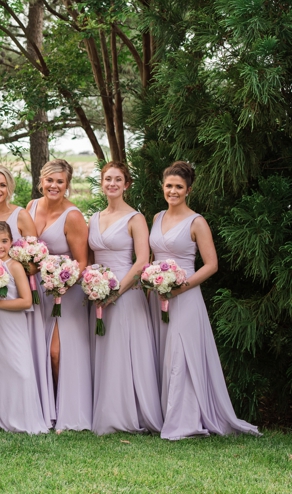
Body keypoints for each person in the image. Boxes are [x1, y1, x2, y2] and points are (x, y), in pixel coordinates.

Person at [149, 161, 258, 440]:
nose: (173, 191)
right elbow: (153, 257)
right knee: (163, 354)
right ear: (162, 187)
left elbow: (211, 265)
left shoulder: (197, 222)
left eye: (179, 187)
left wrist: (179, 287)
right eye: (169, 186)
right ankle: (163, 415)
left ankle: (184, 421)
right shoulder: (157, 217)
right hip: (157, 297)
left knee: (180, 356)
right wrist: (152, 281)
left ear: (189, 190)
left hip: (184, 298)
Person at [89, 162, 162, 435]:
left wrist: (114, 292)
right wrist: (94, 288)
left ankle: (131, 414)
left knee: (125, 352)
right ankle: (108, 410)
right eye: (108, 179)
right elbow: (93, 258)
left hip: (125, 293)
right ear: (102, 182)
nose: (112, 184)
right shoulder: (94, 218)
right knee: (106, 352)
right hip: (98, 294)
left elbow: (142, 261)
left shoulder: (135, 219)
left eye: (118, 179)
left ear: (126, 184)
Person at [0, 164, 53, 424]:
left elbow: (36, 258)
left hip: (19, 294)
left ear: (10, 187)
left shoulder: (21, 215)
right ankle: (2, 411)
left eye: (2, 185)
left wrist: (12, 275)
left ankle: (30, 411)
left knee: (22, 357)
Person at [27, 159, 91, 432]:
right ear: (41, 181)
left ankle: (68, 409)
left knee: (58, 352)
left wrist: (61, 283)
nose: (54, 186)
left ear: (67, 185)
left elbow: (82, 262)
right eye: (49, 180)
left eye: (60, 181)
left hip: (66, 290)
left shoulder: (73, 216)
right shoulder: (30, 207)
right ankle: (46, 409)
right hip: (37, 288)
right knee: (39, 350)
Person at [0, 222, 49, 434]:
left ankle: (26, 418)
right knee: (0, 368)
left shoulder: (15, 266)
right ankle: (4, 417)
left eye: (4, 241)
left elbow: (26, 301)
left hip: (13, 322)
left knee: (21, 369)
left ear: (11, 242)